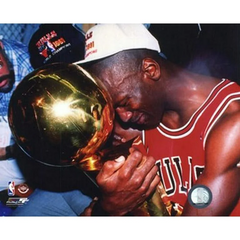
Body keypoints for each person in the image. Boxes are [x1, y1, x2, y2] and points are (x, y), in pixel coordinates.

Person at [75, 24, 240, 216]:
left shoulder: (230, 120)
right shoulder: (137, 124)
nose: (123, 116)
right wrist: (108, 206)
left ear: (150, 70)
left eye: (125, 102)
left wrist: (112, 208)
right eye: (115, 108)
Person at [11, 24, 96, 216]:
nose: (68, 72)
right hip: (53, 185)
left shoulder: (100, 83)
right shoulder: (40, 105)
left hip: (90, 186)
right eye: (57, 70)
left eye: (72, 63)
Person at [0, 38, 34, 215]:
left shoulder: (27, 65)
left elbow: (39, 143)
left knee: (17, 200)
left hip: (22, 185)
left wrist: (6, 151)